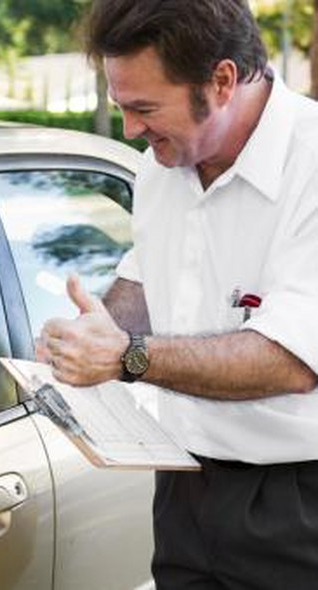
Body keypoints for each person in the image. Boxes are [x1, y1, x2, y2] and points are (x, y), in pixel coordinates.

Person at [37, 1, 318, 588]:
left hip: (298, 502)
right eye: (121, 107)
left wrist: (126, 356)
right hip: (184, 487)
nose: (131, 131)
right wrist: (101, 326)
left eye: (143, 108)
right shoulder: (158, 169)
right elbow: (144, 275)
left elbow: (291, 360)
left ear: (222, 80)